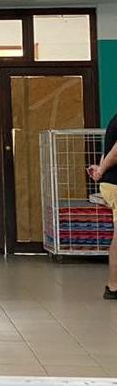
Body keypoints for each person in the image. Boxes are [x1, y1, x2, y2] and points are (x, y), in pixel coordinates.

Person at [87, 111, 117, 300]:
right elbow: (115, 153)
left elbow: (108, 151)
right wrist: (102, 170)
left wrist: (101, 170)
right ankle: (114, 286)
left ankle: (114, 286)